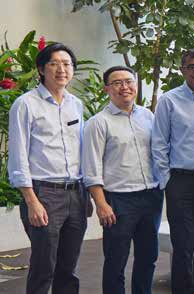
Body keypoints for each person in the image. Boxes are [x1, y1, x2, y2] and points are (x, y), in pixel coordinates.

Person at [8, 43, 87, 294]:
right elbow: (18, 156)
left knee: (68, 268)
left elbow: (81, 151)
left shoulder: (76, 104)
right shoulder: (26, 104)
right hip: (44, 194)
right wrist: (32, 201)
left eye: (67, 64)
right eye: (54, 64)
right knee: (44, 267)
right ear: (42, 69)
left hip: (76, 192)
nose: (61, 69)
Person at [83, 66, 162, 294]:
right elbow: (92, 168)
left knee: (148, 257)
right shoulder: (98, 123)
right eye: (117, 83)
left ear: (136, 85)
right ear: (107, 88)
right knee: (116, 260)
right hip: (118, 201)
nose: (124, 87)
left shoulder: (148, 116)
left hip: (151, 197)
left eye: (129, 81)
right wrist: (101, 204)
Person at [151, 49, 194, 294]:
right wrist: (166, 181)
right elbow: (159, 143)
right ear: (183, 70)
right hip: (180, 182)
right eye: (192, 66)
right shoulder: (169, 101)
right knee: (183, 246)